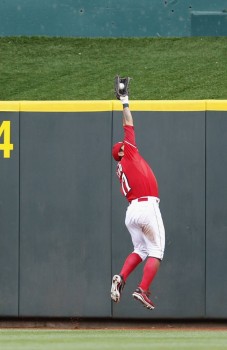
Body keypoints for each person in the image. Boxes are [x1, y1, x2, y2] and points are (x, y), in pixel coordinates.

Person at [110, 94, 165, 310]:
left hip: (132, 211)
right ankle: (141, 289)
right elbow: (129, 124)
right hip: (146, 207)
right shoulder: (129, 153)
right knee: (157, 252)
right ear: (122, 151)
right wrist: (124, 101)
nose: (126, 143)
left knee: (141, 250)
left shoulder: (121, 165)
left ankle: (121, 278)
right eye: (123, 145)